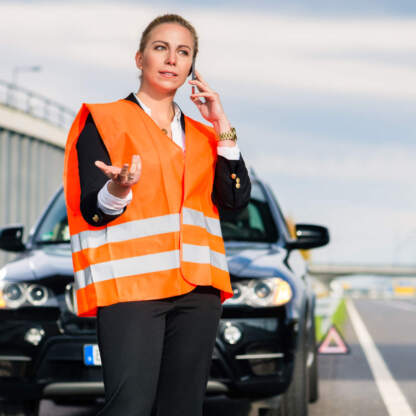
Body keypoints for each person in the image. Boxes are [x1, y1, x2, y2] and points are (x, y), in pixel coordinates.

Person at [63, 13, 251, 416]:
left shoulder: (205, 136)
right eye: (160, 48)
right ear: (139, 59)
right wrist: (118, 188)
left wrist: (223, 125)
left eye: (183, 52)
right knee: (128, 407)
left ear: (191, 69)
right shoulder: (104, 121)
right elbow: (92, 212)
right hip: (131, 291)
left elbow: (235, 203)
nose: (171, 59)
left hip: (198, 291)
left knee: (182, 409)